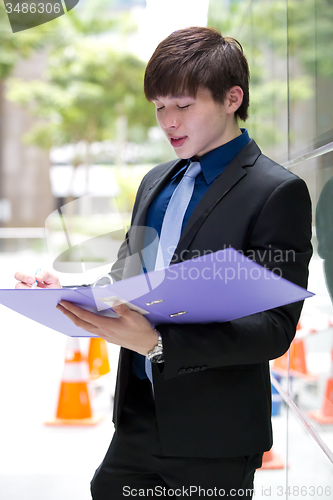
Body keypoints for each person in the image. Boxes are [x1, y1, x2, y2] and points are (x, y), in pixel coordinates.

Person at [15, 27, 312, 499]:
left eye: (183, 105)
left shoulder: (276, 192)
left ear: (232, 98)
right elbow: (128, 275)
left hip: (214, 432)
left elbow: (275, 328)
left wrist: (159, 343)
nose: (167, 121)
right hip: (137, 417)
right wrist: (72, 290)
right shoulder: (157, 181)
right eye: (159, 107)